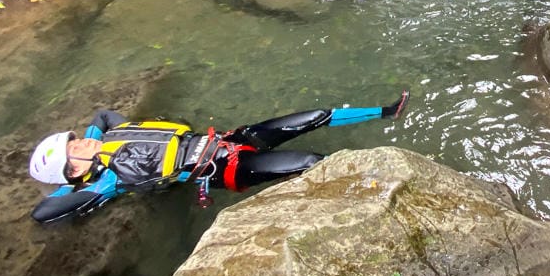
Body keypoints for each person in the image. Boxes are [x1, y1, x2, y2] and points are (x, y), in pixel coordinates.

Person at [27, 91, 409, 223]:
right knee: (311, 162)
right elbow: (43, 212)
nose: (83, 143)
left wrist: (92, 144)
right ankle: (378, 188)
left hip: (230, 139)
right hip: (228, 169)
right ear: (73, 170)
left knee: (316, 115)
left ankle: (387, 112)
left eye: (76, 140)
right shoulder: (111, 180)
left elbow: (102, 117)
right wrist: (81, 179)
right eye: (74, 151)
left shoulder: (111, 134)